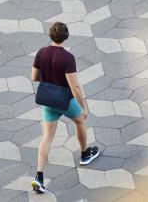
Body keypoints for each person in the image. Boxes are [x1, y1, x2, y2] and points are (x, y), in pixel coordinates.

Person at [31, 22, 100, 194]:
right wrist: (84, 107)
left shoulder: (41, 52)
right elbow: (74, 86)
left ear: (50, 35)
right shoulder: (68, 58)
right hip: (65, 101)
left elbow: (34, 77)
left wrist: (49, 80)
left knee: (47, 136)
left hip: (48, 101)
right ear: (66, 36)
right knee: (79, 121)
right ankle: (85, 155)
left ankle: (39, 176)